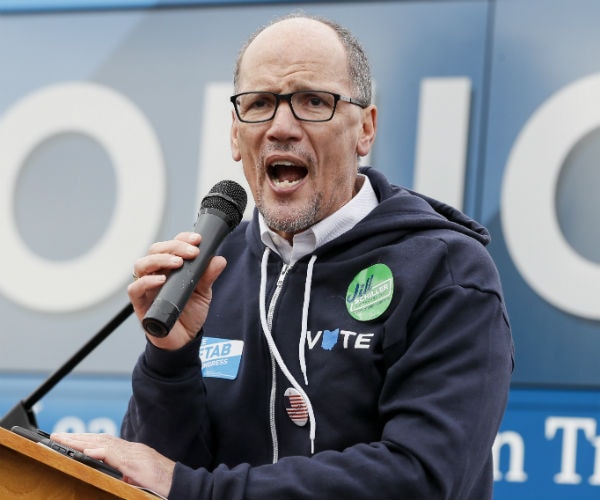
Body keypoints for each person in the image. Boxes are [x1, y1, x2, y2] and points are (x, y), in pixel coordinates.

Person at [52, 12, 514, 500]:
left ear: (366, 129)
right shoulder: (210, 271)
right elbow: (153, 479)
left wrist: (197, 490)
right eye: (261, 103)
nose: (281, 127)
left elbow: (420, 478)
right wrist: (171, 361)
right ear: (235, 133)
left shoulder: (447, 271)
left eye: (313, 101)